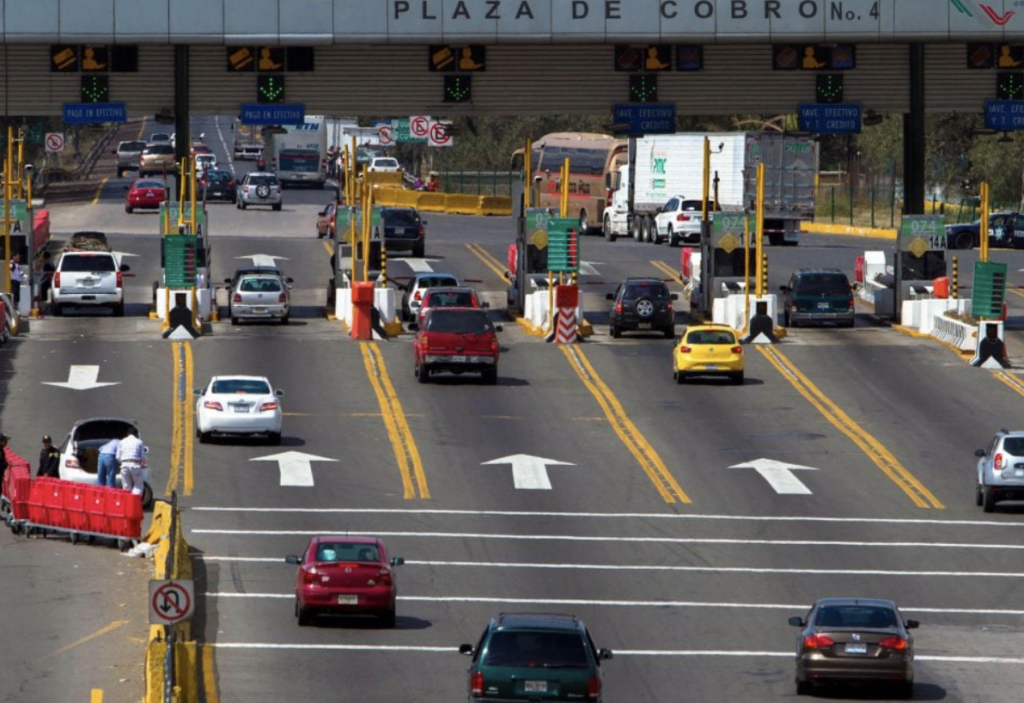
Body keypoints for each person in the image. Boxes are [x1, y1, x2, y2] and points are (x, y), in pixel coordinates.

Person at [116, 427, 145, 496]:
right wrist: (142, 465)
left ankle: (126, 504)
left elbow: (117, 457)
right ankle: (134, 503)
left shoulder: (121, 442)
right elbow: (142, 456)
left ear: (127, 434)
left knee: (126, 487)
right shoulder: (139, 442)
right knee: (138, 486)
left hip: (124, 465)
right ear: (136, 434)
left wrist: (123, 463)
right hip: (135, 465)